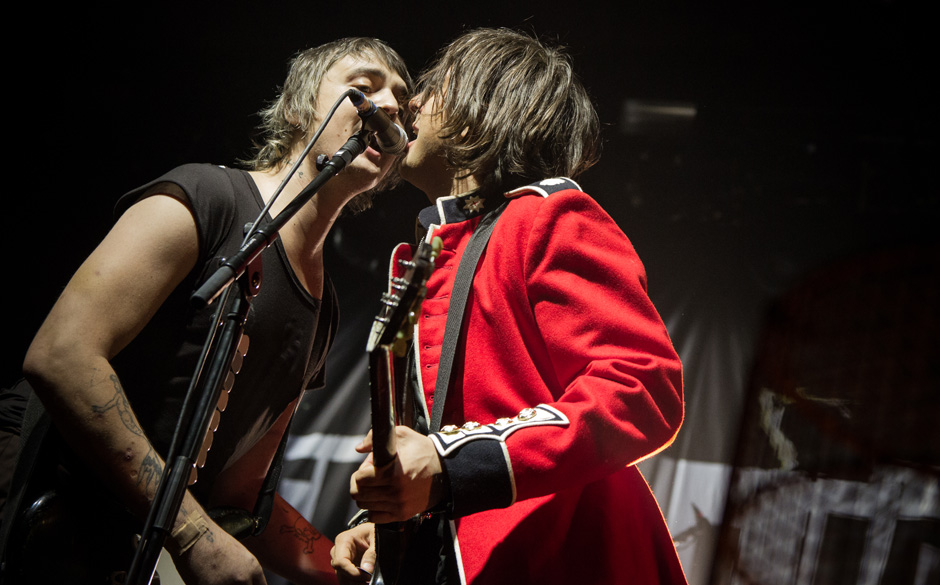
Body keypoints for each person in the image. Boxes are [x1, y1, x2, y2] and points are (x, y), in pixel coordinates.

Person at [0, 37, 412, 585]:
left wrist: (339, 566)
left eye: (401, 107)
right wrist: (190, 532)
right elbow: (60, 355)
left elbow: (236, 502)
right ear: (299, 107)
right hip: (29, 523)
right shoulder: (208, 197)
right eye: (362, 89)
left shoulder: (324, 307)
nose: (386, 109)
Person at [330, 28, 688, 584]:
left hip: (559, 559)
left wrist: (451, 465)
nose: (410, 105)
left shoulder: (549, 217)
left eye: (432, 89)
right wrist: (390, 512)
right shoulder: (431, 249)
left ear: (481, 110)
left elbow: (641, 387)